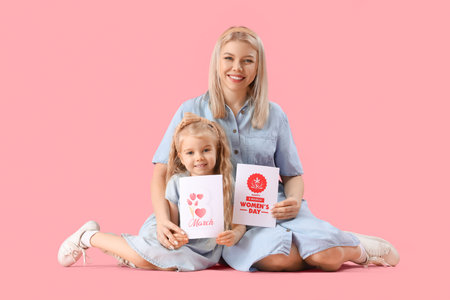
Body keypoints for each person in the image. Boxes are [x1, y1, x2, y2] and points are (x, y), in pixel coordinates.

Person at [151, 26, 400, 271]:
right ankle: (323, 241)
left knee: (327, 256)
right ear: (217, 61)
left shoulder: (274, 114)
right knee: (281, 258)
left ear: (258, 66)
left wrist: (292, 199)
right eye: (229, 58)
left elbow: (292, 175)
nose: (237, 68)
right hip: (228, 221)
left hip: (270, 208)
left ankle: (359, 249)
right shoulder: (190, 110)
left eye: (247, 61)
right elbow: (161, 173)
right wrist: (163, 220)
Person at [57, 113, 246, 271]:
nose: (199, 158)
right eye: (190, 153)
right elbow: (172, 224)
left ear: (217, 150)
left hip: (206, 252)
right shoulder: (178, 183)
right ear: (181, 156)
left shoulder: (227, 182)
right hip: (181, 243)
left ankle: (126, 253)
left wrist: (235, 235)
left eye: (206, 150)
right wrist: (177, 236)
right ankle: (89, 237)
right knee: (164, 259)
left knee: (168, 264)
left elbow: (240, 224)